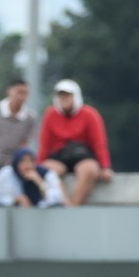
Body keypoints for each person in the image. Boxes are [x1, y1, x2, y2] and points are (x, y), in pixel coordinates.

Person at [38, 79, 113, 207]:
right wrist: (38, 166)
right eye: (61, 96)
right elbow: (44, 144)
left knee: (89, 170)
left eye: (68, 96)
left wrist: (105, 167)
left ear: (76, 96)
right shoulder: (50, 114)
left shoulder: (90, 114)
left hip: (82, 155)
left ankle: (73, 206)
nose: (64, 99)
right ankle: (65, 202)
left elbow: (99, 143)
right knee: (47, 170)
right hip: (59, 156)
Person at [0, 148, 65, 207]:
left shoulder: (45, 173)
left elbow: (56, 199)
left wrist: (39, 182)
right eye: (23, 161)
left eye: (31, 161)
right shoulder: (6, 174)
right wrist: (17, 199)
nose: (28, 165)